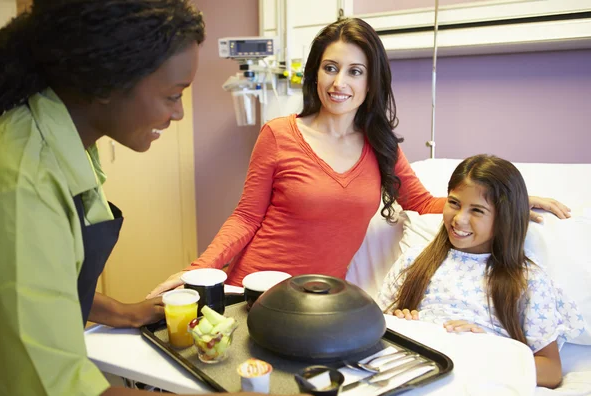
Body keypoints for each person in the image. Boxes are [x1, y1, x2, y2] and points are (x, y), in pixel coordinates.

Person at [0, 1, 313, 396]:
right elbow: (59, 389)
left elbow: (50, 279)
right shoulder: (25, 182)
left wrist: (121, 312)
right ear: (107, 83)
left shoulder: (63, 143)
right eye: (173, 95)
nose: (178, 114)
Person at [148, 17, 570, 295]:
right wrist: (196, 273)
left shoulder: (380, 145)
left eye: (355, 71)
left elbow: (422, 202)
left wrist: (511, 200)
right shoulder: (278, 135)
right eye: (331, 68)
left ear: (370, 82)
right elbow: (245, 218)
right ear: (315, 72)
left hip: (323, 297)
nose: (339, 83)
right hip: (256, 287)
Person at [376, 154, 585, 389]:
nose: (459, 219)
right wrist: (400, 326)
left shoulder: (527, 280)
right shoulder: (413, 261)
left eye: (477, 210)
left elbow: (551, 371)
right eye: (454, 203)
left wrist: (484, 351)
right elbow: (373, 338)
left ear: (504, 218)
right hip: (416, 378)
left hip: (477, 382)